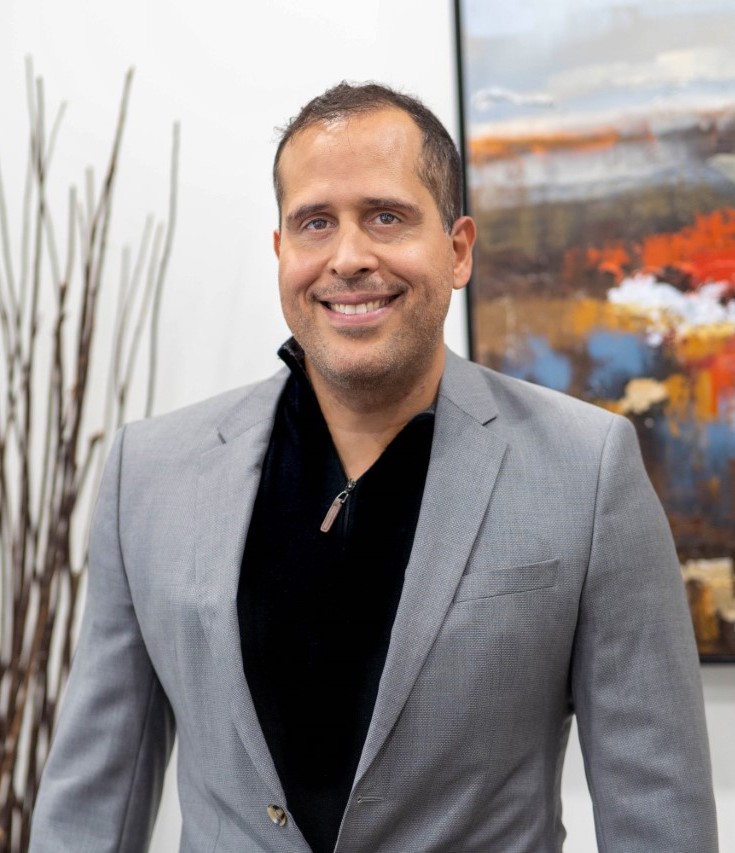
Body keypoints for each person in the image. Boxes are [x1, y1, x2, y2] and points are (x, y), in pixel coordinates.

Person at [30, 82, 718, 853]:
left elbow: (657, 811)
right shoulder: (146, 475)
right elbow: (92, 802)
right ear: (281, 251)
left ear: (457, 250)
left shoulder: (586, 469)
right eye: (314, 223)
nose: (349, 257)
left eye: (385, 217)